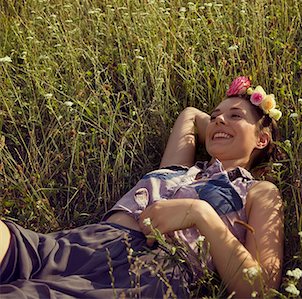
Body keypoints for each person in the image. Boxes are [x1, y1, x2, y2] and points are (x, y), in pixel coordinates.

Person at [0, 76, 284, 298]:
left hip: (148, 274)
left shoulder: (259, 191)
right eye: (215, 115)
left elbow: (259, 288)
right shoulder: (181, 167)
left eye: (235, 115)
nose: (218, 118)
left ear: (262, 140)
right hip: (88, 242)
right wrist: (226, 122)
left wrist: (199, 213)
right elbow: (189, 115)